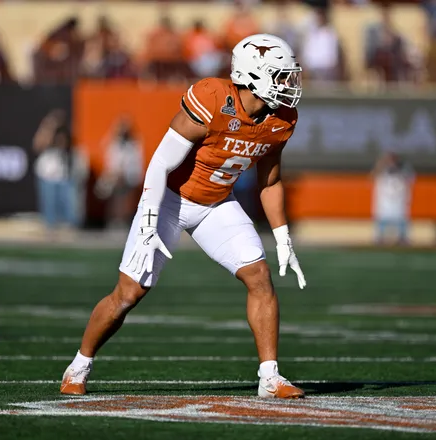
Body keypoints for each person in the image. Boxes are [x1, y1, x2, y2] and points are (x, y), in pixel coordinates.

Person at [60, 34, 307, 399]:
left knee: (259, 276)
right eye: (281, 76)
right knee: (129, 293)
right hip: (169, 201)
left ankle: (270, 378)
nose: (289, 84)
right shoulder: (211, 99)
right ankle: (79, 365)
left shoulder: (281, 119)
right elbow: (160, 163)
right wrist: (147, 223)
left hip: (216, 205)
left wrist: (283, 238)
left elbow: (269, 182)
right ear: (253, 75)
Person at [33, 110, 88, 233]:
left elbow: (68, 145)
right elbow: (38, 145)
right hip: (48, 177)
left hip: (64, 176)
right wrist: (48, 126)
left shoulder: (67, 134)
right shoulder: (47, 135)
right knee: (50, 209)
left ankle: (69, 229)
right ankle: (51, 229)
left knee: (69, 211)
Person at [95, 116, 144, 229]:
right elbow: (110, 163)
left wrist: (124, 174)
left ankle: (123, 219)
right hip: (115, 177)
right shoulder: (113, 144)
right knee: (112, 191)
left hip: (129, 177)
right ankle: (114, 219)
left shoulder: (134, 145)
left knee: (122, 192)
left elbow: (136, 165)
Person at [371, 152, 414, 245]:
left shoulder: (404, 170)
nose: (391, 162)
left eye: (393, 159)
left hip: (399, 201)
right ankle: (380, 237)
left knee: (401, 217)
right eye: (389, 159)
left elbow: (411, 178)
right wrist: (380, 164)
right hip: (384, 201)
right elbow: (372, 176)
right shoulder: (382, 170)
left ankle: (403, 237)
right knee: (381, 217)